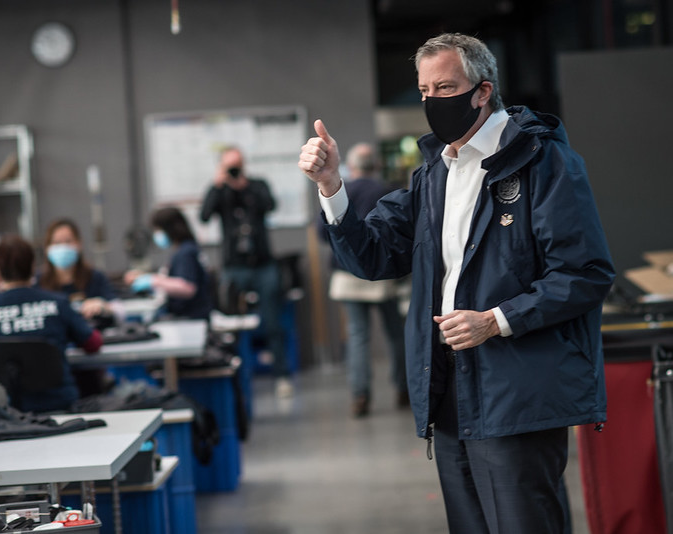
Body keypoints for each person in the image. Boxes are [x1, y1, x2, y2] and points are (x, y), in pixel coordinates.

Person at [299, 32, 615, 534]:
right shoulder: (434, 175)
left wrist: (496, 320)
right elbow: (375, 255)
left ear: (483, 90)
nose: (431, 102)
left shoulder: (544, 163)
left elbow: (586, 274)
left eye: (445, 88)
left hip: (518, 393)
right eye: (424, 91)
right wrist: (332, 186)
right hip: (447, 390)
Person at [319, 142, 409, 417]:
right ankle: (403, 388)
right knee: (396, 334)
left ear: (352, 166)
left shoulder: (341, 190)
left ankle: (360, 395)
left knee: (358, 336)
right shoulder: (386, 191)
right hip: (383, 277)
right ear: (377, 165)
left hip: (347, 276)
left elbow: (325, 232)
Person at [0, 234, 103, 413]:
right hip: (60, 408)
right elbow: (93, 344)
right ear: (32, 268)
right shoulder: (58, 304)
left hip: (5, 413)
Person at [200, 146, 292, 397]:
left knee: (273, 322)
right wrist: (218, 184)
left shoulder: (257, 185)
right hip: (234, 267)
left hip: (263, 264)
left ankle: (282, 376)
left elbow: (270, 205)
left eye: (237, 164)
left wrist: (244, 186)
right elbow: (204, 216)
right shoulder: (220, 190)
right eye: (229, 165)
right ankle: (237, 379)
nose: (234, 170)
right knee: (230, 326)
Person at [124, 206, 212, 320]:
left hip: (191, 317)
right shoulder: (187, 249)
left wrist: (153, 281)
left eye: (158, 230)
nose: (156, 235)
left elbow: (187, 287)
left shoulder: (185, 252)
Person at [37, 218, 124, 325]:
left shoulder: (94, 276)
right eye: (57, 243)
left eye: (68, 241)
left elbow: (119, 310)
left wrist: (103, 305)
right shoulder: (38, 281)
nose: (63, 247)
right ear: (47, 247)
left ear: (79, 244)